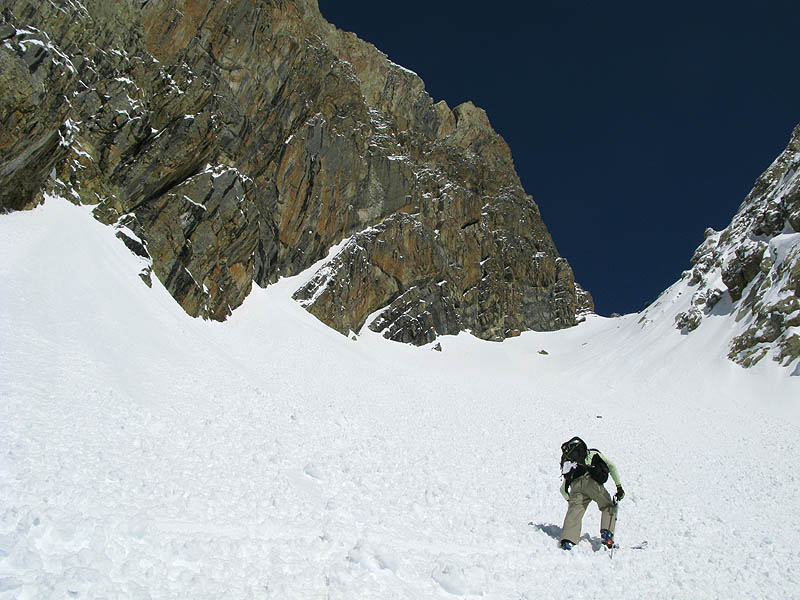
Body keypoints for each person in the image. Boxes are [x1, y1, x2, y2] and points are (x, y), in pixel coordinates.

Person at [558, 436, 624, 550]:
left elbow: (563, 490)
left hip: (575, 486)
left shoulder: (573, 465)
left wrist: (571, 501)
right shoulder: (593, 453)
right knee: (608, 506)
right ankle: (607, 535)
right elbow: (612, 466)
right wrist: (619, 487)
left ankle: (568, 540)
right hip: (591, 482)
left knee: (574, 512)